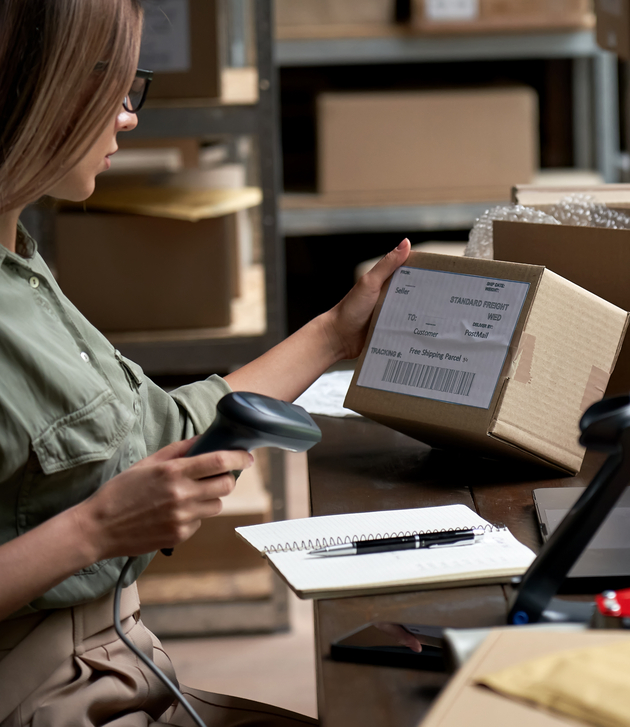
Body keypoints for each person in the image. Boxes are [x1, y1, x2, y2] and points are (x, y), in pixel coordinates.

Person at [0, 1, 412, 723]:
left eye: (133, 88)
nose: (127, 116)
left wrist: (336, 333)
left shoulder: (21, 265)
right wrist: (95, 528)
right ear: (32, 86)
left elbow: (160, 430)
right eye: (109, 87)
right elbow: (107, 503)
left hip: (120, 661)